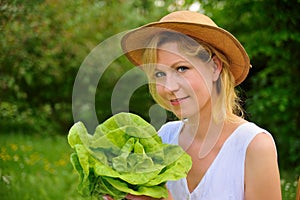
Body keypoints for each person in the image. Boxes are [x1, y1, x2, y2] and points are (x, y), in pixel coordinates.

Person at [106, 10, 282, 200]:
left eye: (182, 68)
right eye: (159, 74)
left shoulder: (254, 146)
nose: (169, 87)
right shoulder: (163, 137)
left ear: (215, 67)